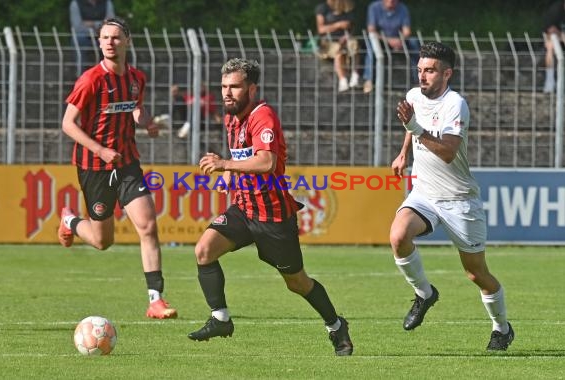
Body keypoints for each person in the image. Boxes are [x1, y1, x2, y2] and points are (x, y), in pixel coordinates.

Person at [187, 58, 353, 356]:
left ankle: (336, 324)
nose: (227, 92)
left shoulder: (264, 117)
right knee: (203, 251)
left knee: (297, 283)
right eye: (224, 86)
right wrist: (228, 173)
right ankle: (220, 318)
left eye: (235, 87)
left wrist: (225, 164)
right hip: (243, 209)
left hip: (273, 217)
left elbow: (266, 162)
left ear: (252, 88)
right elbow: (241, 154)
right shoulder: (232, 117)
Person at [390, 42, 514, 351]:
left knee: (476, 274)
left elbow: (447, 152)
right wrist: (403, 153)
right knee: (398, 236)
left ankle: (502, 327)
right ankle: (424, 293)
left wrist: (415, 128)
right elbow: (411, 125)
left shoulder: (455, 105)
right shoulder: (414, 96)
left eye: (430, 71)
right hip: (425, 192)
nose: (423, 76)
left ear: (447, 73)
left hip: (459, 200)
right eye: (420, 70)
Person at [59, 17, 178, 320]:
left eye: (116, 37)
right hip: (94, 167)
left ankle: (156, 300)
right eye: (105, 38)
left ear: (128, 41)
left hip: (126, 163)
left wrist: (146, 121)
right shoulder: (90, 81)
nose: (110, 42)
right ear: (99, 43)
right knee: (102, 241)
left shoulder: (137, 78)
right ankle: (71, 222)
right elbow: (67, 124)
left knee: (148, 226)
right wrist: (99, 149)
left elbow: (135, 107)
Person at [363, 0, 419, 93]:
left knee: (414, 43)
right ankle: (368, 79)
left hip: (399, 40)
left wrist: (401, 41)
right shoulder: (374, 7)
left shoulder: (403, 8)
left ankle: (418, 79)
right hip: (381, 40)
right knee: (371, 44)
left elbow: (407, 31)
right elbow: (371, 30)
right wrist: (388, 40)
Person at [315, 0, 361, 93]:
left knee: (354, 44)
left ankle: (355, 75)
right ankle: (342, 80)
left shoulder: (347, 7)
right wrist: (338, 25)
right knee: (339, 51)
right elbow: (321, 29)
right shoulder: (322, 8)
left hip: (346, 39)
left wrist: (346, 36)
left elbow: (352, 27)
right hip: (329, 42)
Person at [69, 0, 115, 76]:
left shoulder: (107, 3)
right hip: (84, 37)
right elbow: (77, 27)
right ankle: (80, 75)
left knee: (113, 41)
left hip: (103, 36)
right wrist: (100, 25)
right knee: (78, 40)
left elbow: (111, 23)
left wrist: (91, 24)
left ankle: (111, 75)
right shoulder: (76, 3)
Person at [542, 0, 565, 93]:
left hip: (561, 35)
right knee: (550, 47)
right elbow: (550, 29)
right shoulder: (556, 10)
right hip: (551, 35)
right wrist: (562, 35)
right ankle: (549, 81)